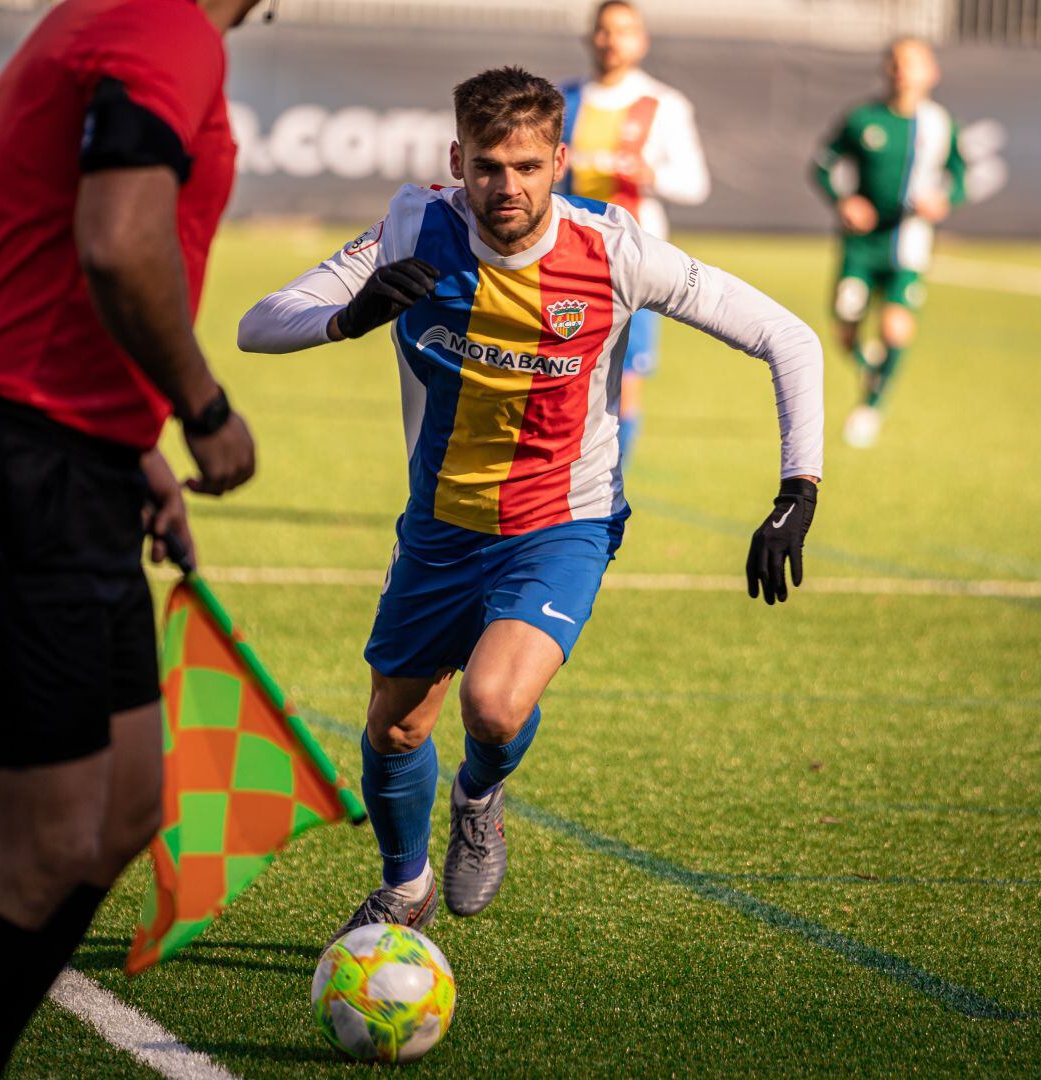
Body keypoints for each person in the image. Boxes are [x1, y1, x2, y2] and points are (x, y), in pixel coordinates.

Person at [238, 66, 821, 947]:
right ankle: (406, 887)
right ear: (456, 160)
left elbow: (787, 335)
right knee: (394, 730)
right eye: (484, 167)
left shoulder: (615, 251)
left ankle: (479, 796)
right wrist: (348, 316)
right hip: (438, 525)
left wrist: (797, 488)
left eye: (524, 167)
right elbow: (260, 320)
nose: (504, 188)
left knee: (494, 705)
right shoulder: (411, 225)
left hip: (561, 522)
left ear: (559, 161)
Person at [0, 0, 258, 1071]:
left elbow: (22, 249)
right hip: (19, 463)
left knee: (128, 804)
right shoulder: (161, 25)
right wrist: (201, 408)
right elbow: (119, 241)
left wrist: (130, 440)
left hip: (71, 456)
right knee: (45, 843)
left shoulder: (114, 17)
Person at [558, 0, 710, 461]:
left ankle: (609, 490)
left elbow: (695, 183)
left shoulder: (663, 104)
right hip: (569, 256)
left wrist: (651, 175)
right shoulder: (563, 100)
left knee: (626, 380)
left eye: (623, 31)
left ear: (641, 41)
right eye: (604, 30)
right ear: (590, 38)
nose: (612, 40)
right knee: (564, 375)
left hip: (636, 260)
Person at [813, 37, 967, 448]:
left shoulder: (939, 124)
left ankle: (871, 406)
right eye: (896, 63)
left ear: (932, 72)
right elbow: (823, 164)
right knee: (845, 328)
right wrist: (844, 200)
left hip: (908, 242)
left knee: (895, 327)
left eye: (913, 63)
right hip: (861, 245)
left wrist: (943, 200)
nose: (903, 71)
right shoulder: (863, 119)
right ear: (886, 69)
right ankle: (869, 366)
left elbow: (958, 174)